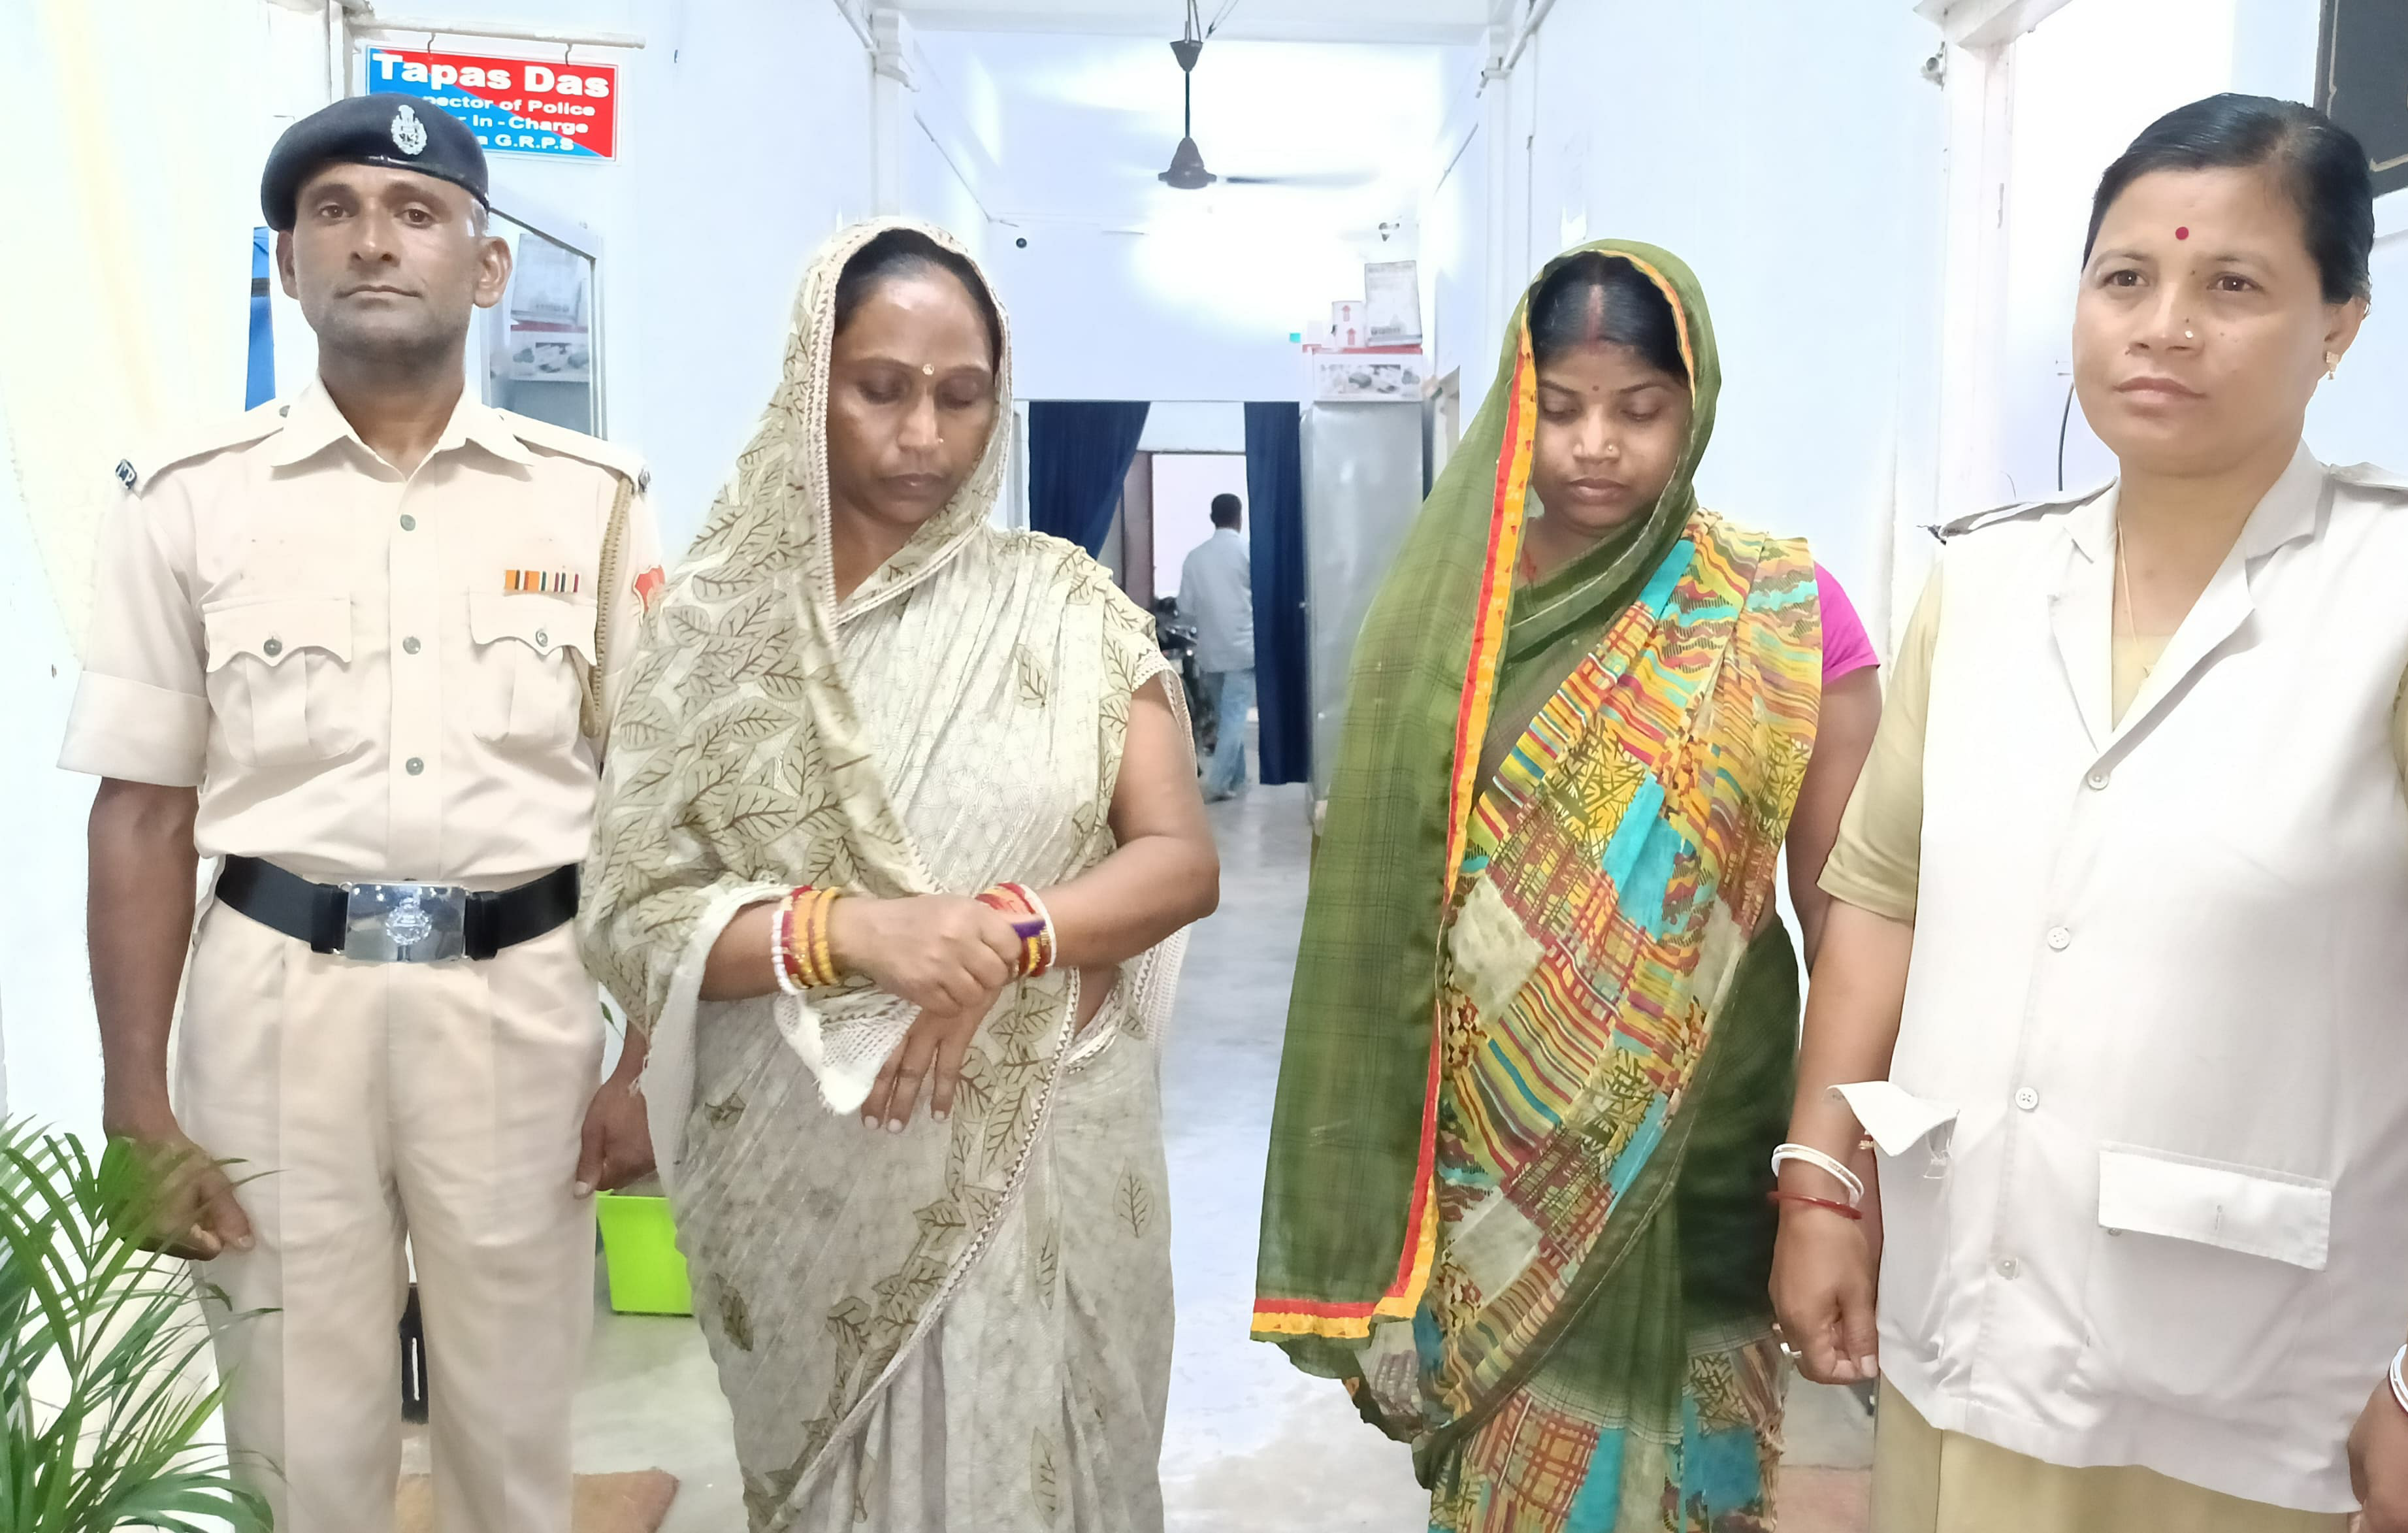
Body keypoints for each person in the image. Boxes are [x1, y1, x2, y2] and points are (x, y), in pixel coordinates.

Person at [1772, 95, 2408, 1533]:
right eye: (2126, 278)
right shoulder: (1982, 588)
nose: (2163, 328)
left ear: (2339, 324)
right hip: (1961, 1334)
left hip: (2249, 1394)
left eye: (2231, 285)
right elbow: (1879, 905)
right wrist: (1818, 1184)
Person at [60, 93, 662, 1533]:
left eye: (415, 212)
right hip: (277, 1009)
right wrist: (137, 1102)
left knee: (513, 1433)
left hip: (519, 1007)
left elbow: (656, 806)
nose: (373, 242)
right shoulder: (187, 501)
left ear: (487, 264)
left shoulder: (593, 504)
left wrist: (650, 1054)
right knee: (293, 1439)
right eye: (332, 212)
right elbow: (140, 814)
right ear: (289, 261)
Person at [579, 219, 1218, 1532]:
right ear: (809, 385)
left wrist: (1009, 932)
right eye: (880, 389)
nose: (923, 433)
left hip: (1045, 1146)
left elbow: (1177, 861)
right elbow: (636, 911)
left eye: (961, 396)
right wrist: (852, 937)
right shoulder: (711, 632)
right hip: (807, 1164)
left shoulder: (1066, 606)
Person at [1254, 243, 1883, 1530]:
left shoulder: (1780, 614)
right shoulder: (1448, 621)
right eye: (1563, 407)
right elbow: (1382, 907)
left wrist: (1834, 1170)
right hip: (1492, 1156)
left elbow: (1845, 915)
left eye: (1640, 409)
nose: (1597, 445)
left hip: (1706, 1133)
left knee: (1697, 1467)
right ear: (1515, 407)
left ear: (1695, 406)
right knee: (1516, 1476)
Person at [1179, 490, 1256, 800]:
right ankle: (1218, 784)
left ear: (1212, 518)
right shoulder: (1248, 552)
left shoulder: (1195, 558)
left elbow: (1185, 609)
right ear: (1240, 518)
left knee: (1226, 718)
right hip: (1243, 648)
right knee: (1234, 717)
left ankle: (1237, 779)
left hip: (1210, 650)